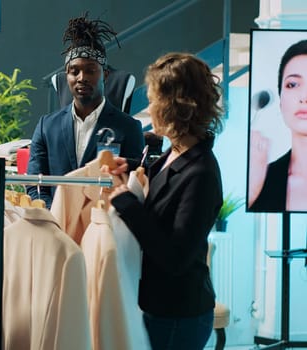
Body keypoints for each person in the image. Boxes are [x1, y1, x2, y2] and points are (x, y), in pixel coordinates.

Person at [108, 52, 224, 350]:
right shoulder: (177, 153)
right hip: (160, 308)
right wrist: (134, 167)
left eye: (154, 99)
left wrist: (129, 206)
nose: (149, 108)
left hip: (177, 315)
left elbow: (176, 258)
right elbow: (164, 178)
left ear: (176, 106)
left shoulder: (202, 174)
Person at [26, 12, 144, 208]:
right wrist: (54, 216)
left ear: (105, 74)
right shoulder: (46, 126)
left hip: (104, 228)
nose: (82, 78)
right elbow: (34, 183)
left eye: (90, 70)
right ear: (67, 75)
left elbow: (136, 182)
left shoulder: (128, 127)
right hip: (56, 226)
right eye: (75, 71)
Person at [249, 39, 307, 212]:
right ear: (281, 101)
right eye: (292, 84)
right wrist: (253, 189)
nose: (304, 97)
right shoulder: (263, 179)